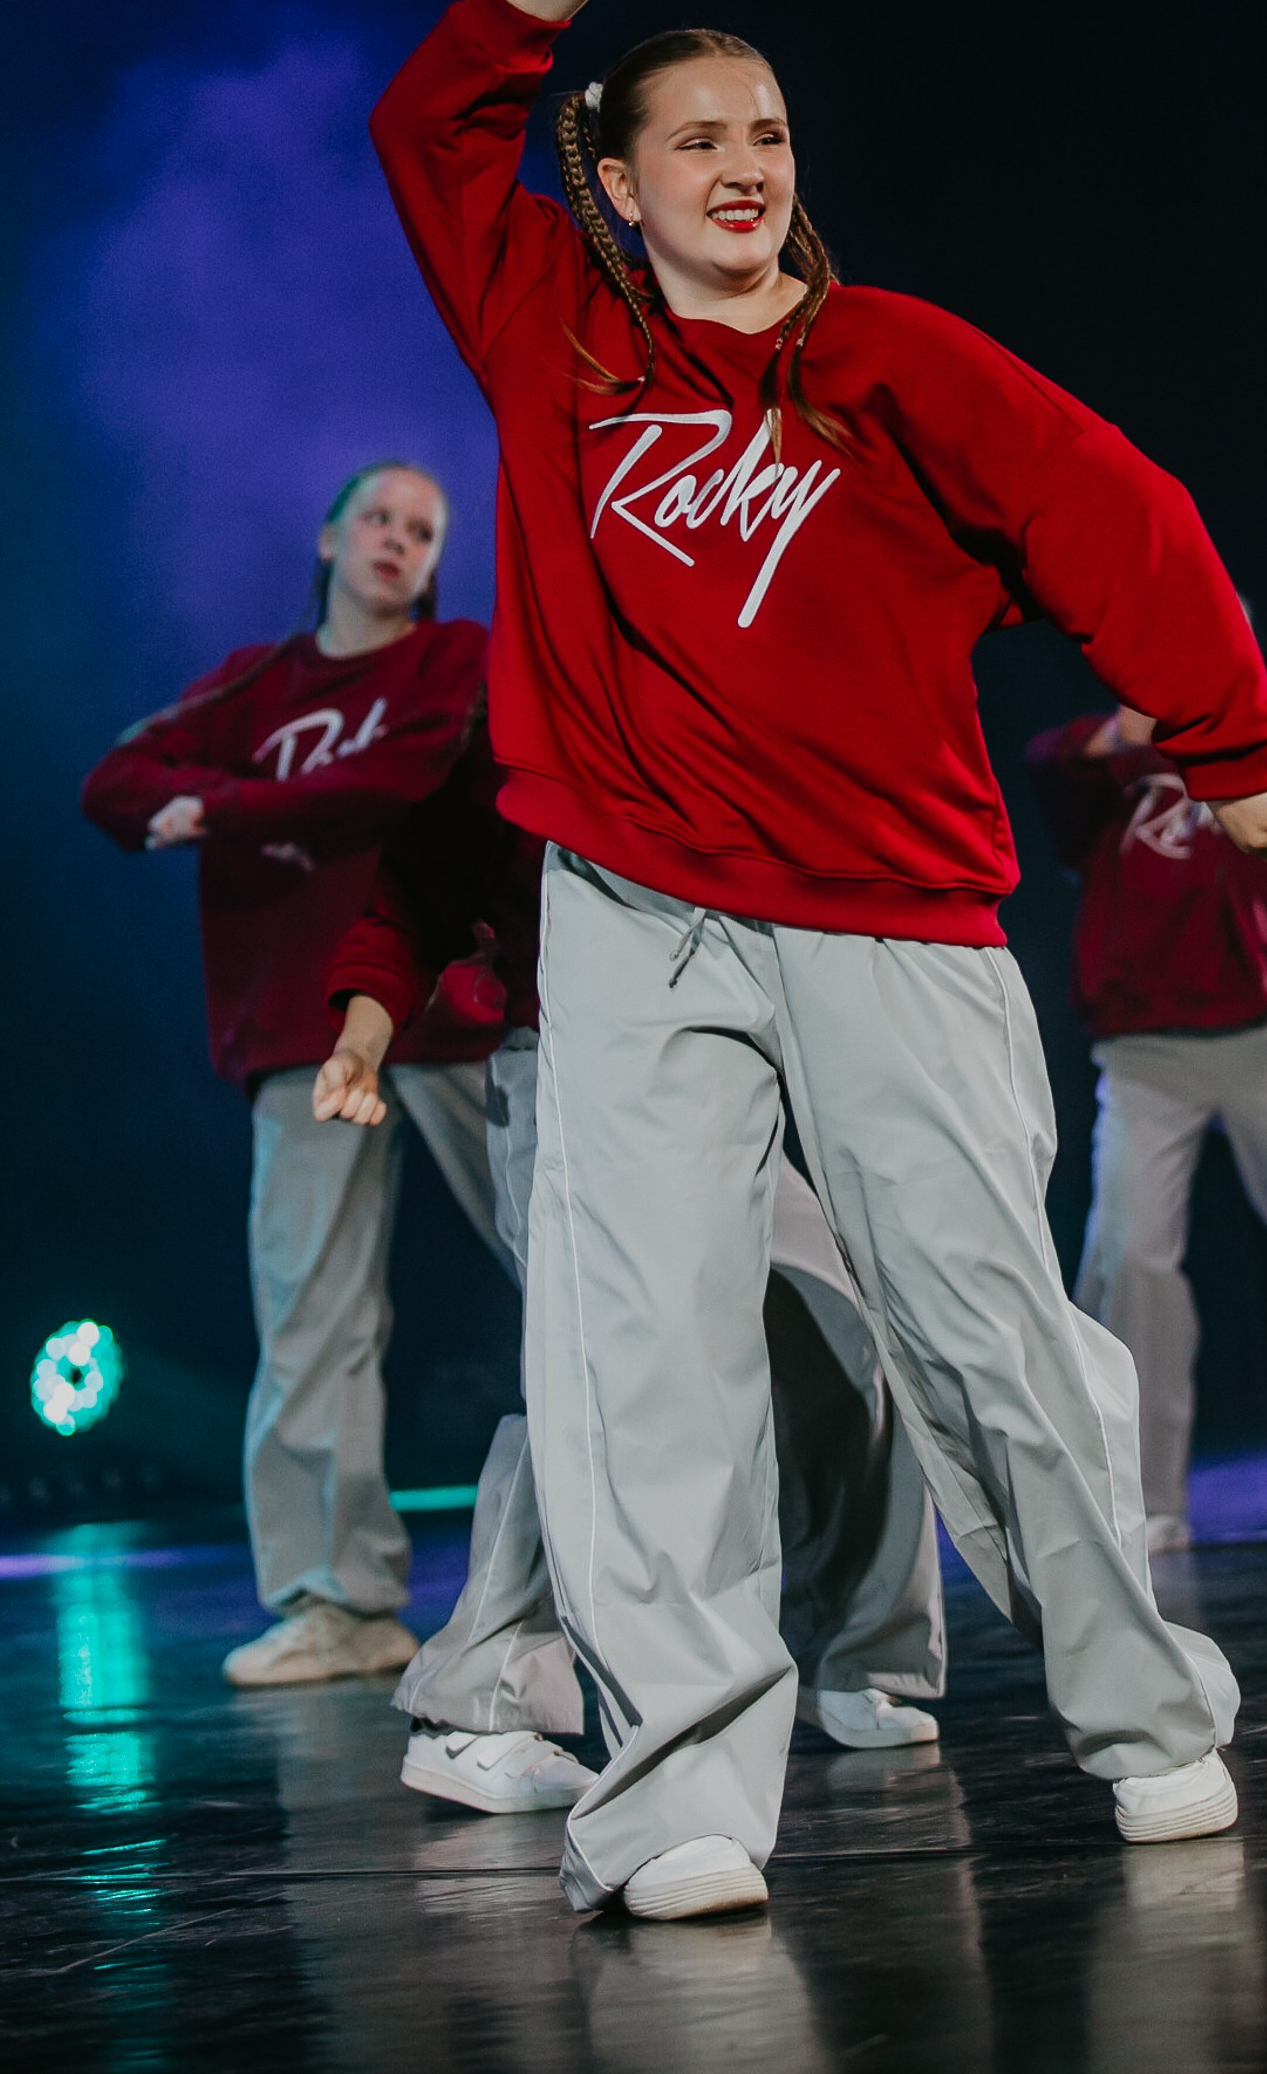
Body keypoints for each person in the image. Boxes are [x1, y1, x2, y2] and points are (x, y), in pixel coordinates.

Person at [349, 0, 1267, 1922]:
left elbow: (1124, 520)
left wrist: (1229, 751)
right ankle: (678, 1794)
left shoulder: (891, 359)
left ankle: (1143, 1707)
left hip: (891, 909)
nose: (743, 165)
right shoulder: (556, 335)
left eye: (771, 133)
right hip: (634, 905)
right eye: (698, 137)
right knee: (640, 1347)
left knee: (985, 1324)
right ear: (617, 181)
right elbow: (428, 124)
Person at [314, 757, 948, 1815]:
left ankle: (857, 1650)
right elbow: (408, 903)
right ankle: (477, 1699)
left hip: (725, 1071)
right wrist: (359, 1041)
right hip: (566, 1069)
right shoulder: (516, 750)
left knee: (846, 1325)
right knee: (600, 1376)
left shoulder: (711, 721)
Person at [81, 461, 505, 1688]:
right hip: (300, 1031)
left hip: (456, 1012)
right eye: (378, 516)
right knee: (310, 1316)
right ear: (328, 537)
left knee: (589, 1269)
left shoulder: (453, 657)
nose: (397, 539)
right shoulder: (253, 683)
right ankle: (338, 1599)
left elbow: (405, 777)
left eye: (421, 529)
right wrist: (235, 797)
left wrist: (222, 808)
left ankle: (700, 1548)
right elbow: (113, 784)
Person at [1027, 687, 1267, 1553]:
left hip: (1260, 1039)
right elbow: (1048, 759)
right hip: (1144, 1054)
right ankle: (1143, 1495)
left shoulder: (1252, 736)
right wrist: (1122, 732)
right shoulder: (1107, 767)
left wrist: (1206, 692)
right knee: (1130, 1259)